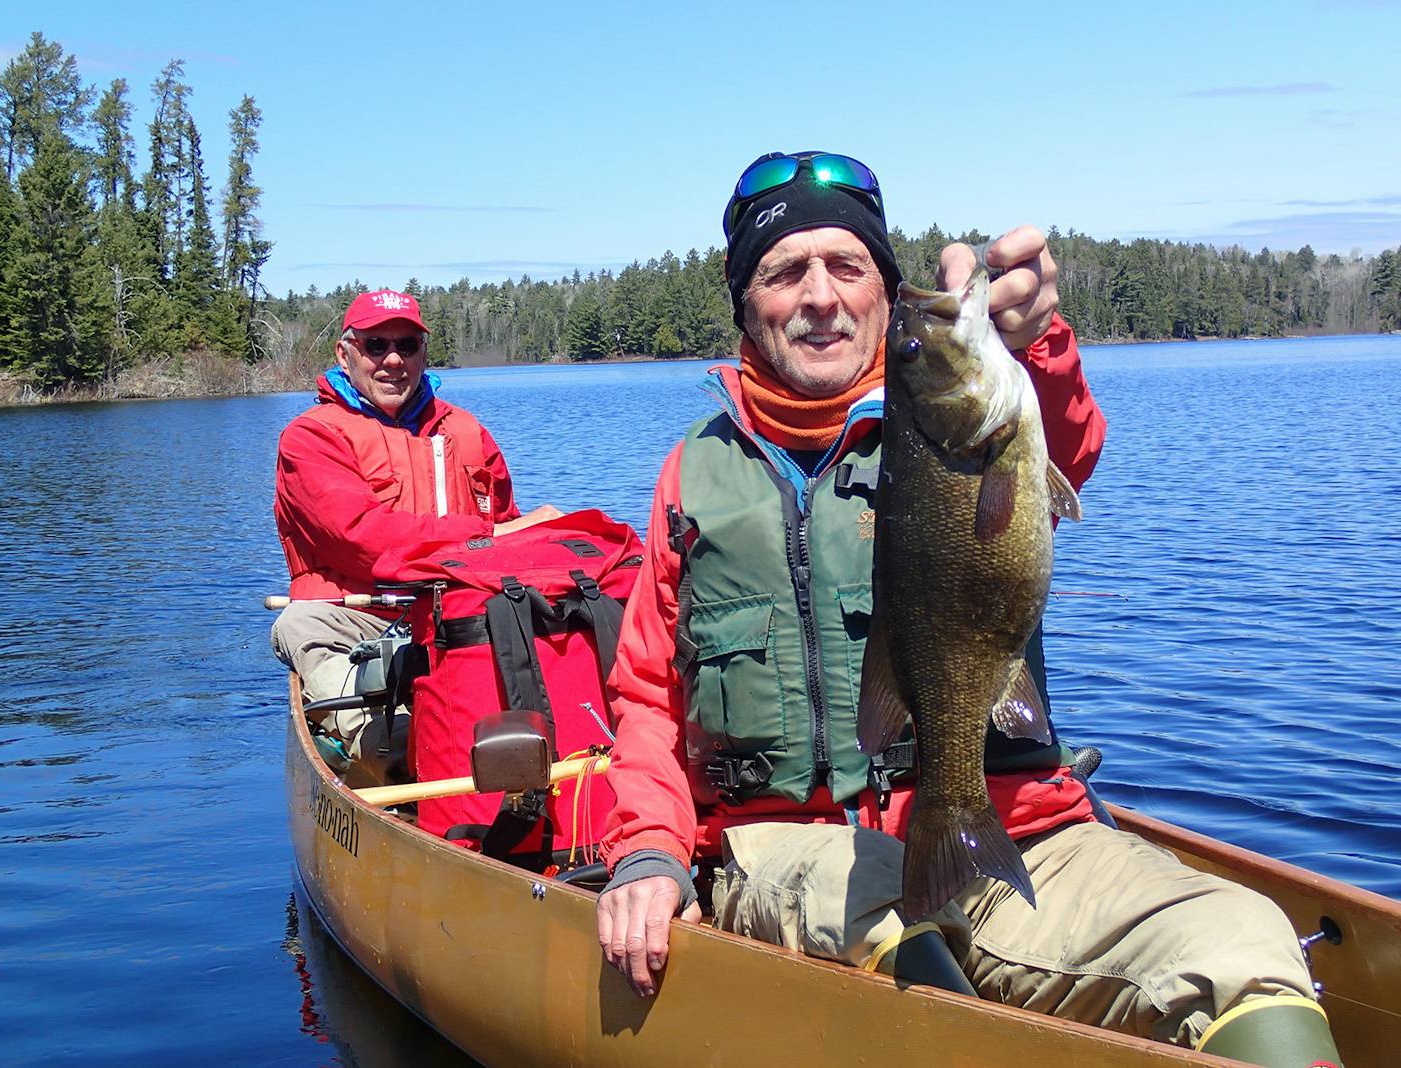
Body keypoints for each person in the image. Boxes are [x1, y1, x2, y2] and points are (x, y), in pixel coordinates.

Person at [593, 152, 1341, 1066]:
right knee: (894, 935)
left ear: (884, 291)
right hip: (798, 854)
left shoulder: (971, 405)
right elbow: (644, 698)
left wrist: (1036, 338)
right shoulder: (691, 478)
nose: (820, 295)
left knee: (1242, 941)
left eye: (848, 266)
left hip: (1015, 825)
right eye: (786, 272)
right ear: (747, 304)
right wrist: (648, 854)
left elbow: (1063, 439)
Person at [271, 288, 559, 764]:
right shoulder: (311, 436)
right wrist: (483, 538)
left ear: (423, 353)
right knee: (300, 623)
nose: (392, 360)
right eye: (375, 345)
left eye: (406, 346)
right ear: (345, 354)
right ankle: (385, 748)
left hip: (461, 614)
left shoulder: (467, 431)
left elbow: (506, 530)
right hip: (357, 617)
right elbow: (362, 539)